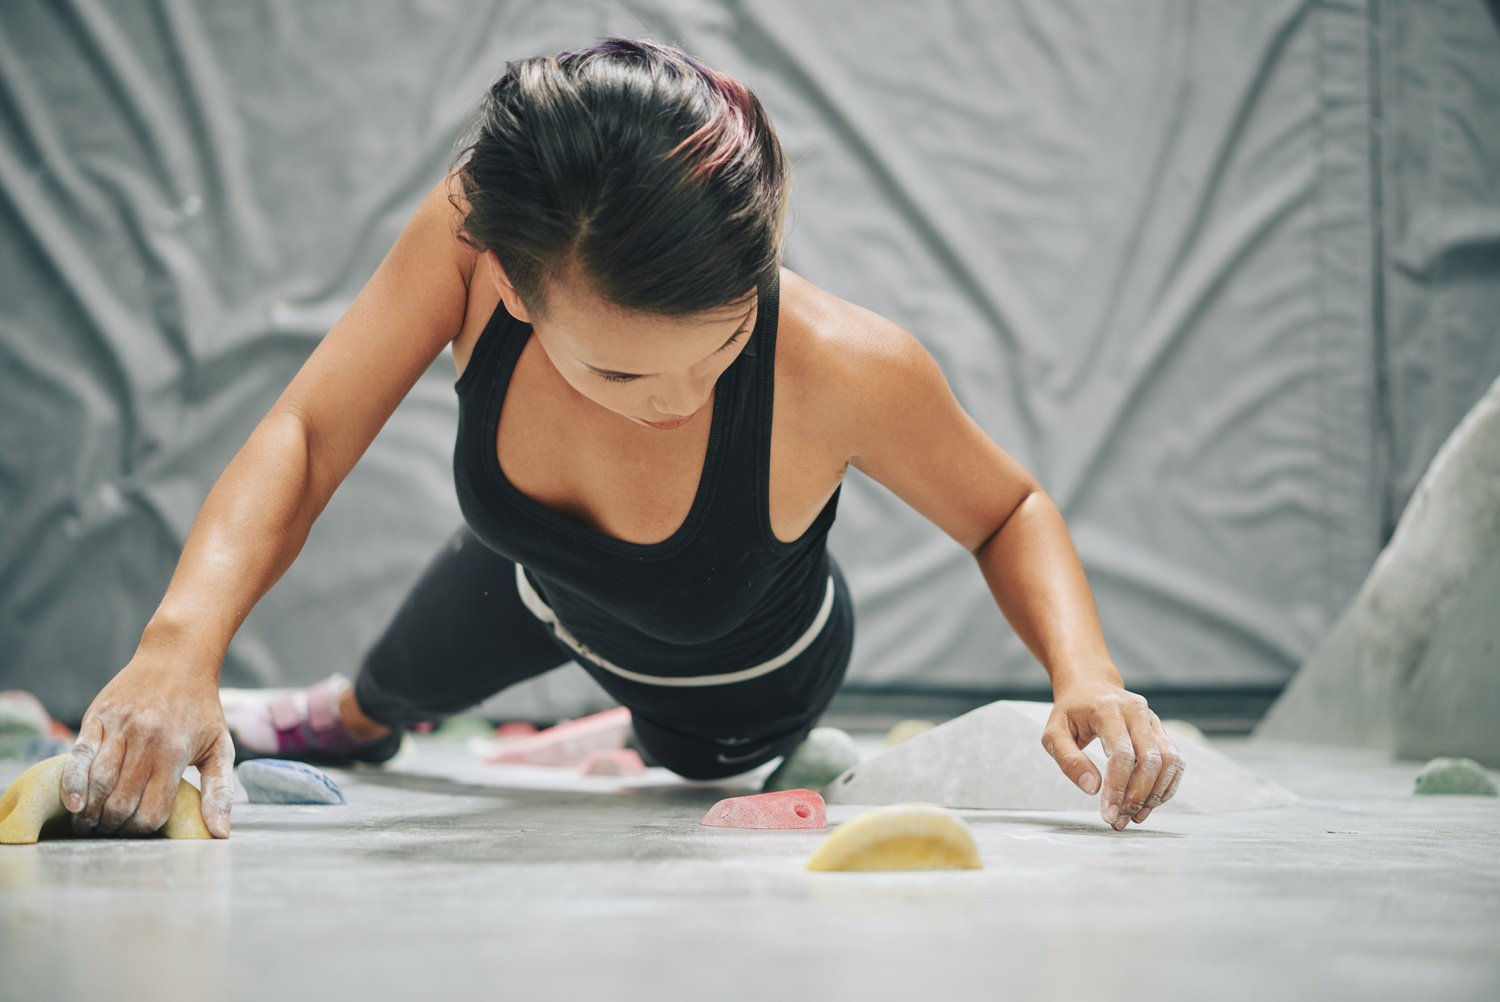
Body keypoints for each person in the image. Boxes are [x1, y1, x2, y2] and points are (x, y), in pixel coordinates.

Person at [58, 36, 1183, 841]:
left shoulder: (848, 362)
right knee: (369, 704)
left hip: (740, 672)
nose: (684, 397)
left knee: (684, 768)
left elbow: (1006, 510)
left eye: (725, 340)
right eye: (622, 369)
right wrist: (177, 649)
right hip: (539, 583)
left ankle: (623, 733)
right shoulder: (472, 238)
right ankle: (380, 711)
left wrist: (1083, 672)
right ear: (503, 278)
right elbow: (306, 435)